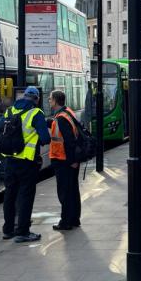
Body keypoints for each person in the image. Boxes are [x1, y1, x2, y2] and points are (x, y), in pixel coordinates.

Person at [0, 87, 51, 243]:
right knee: (25, 195)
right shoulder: (36, 113)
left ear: (24, 96)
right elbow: (46, 138)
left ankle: (8, 230)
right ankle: (23, 231)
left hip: (9, 160)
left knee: (9, 195)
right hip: (27, 161)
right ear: (37, 99)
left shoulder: (10, 111)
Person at [48, 89, 83, 231]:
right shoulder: (67, 112)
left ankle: (66, 221)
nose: (49, 101)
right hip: (69, 160)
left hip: (64, 160)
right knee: (73, 190)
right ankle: (74, 219)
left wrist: (72, 160)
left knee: (65, 192)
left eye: (50, 99)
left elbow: (69, 141)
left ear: (55, 101)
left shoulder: (61, 118)